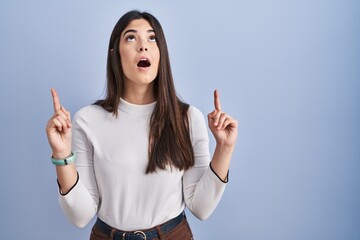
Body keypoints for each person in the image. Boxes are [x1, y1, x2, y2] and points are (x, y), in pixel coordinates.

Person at [46, 10, 238, 240]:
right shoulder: (87, 120)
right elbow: (80, 216)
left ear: (160, 53)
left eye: (152, 38)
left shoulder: (187, 118)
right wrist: (62, 153)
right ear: (115, 54)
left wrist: (224, 148)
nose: (143, 46)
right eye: (131, 37)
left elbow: (202, 208)